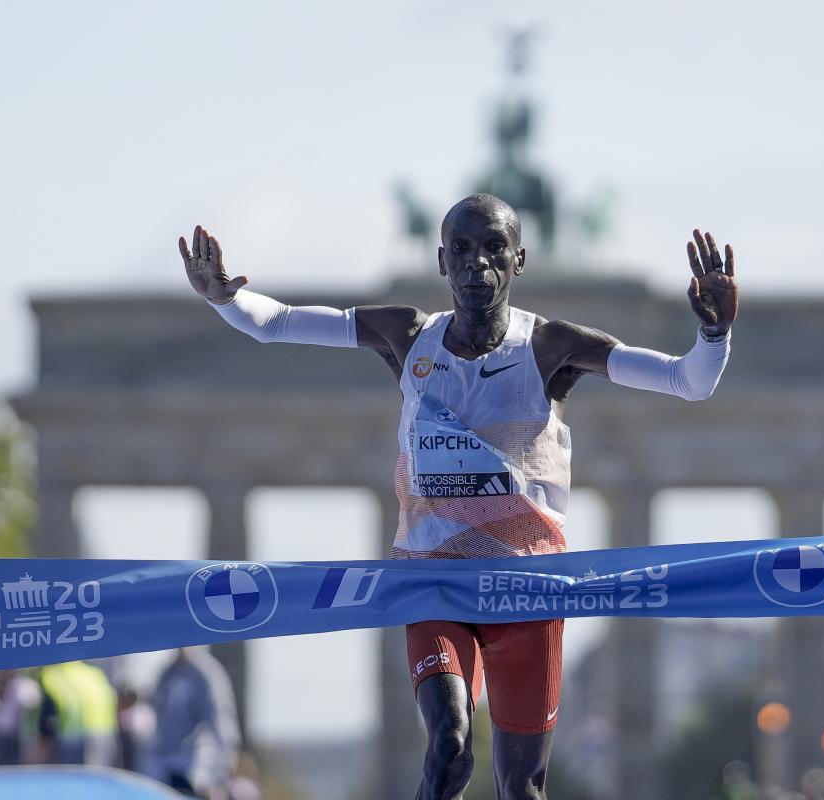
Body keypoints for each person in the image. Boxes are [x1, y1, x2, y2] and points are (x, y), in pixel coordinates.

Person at [181, 193, 738, 800]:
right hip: (433, 582)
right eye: (463, 250)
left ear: (519, 260)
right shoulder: (406, 334)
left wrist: (713, 332)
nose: (479, 264)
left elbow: (690, 382)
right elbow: (279, 323)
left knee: (519, 788)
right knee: (448, 748)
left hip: (527, 588)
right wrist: (225, 298)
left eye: (495, 249)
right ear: (442, 260)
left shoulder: (552, 347)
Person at [145, 646, 241, 799]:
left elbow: (222, 728)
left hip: (196, 776)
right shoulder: (166, 674)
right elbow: (157, 726)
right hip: (164, 774)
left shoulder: (208, 674)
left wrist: (219, 777)